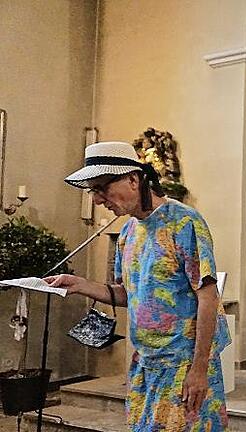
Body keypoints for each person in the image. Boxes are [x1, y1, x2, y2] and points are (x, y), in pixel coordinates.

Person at [45, 141, 230, 431]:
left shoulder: (184, 223)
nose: (96, 200)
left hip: (182, 364)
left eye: (101, 188)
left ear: (133, 179)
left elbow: (208, 297)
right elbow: (128, 294)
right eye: (93, 191)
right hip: (145, 363)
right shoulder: (128, 232)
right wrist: (80, 285)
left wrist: (199, 368)